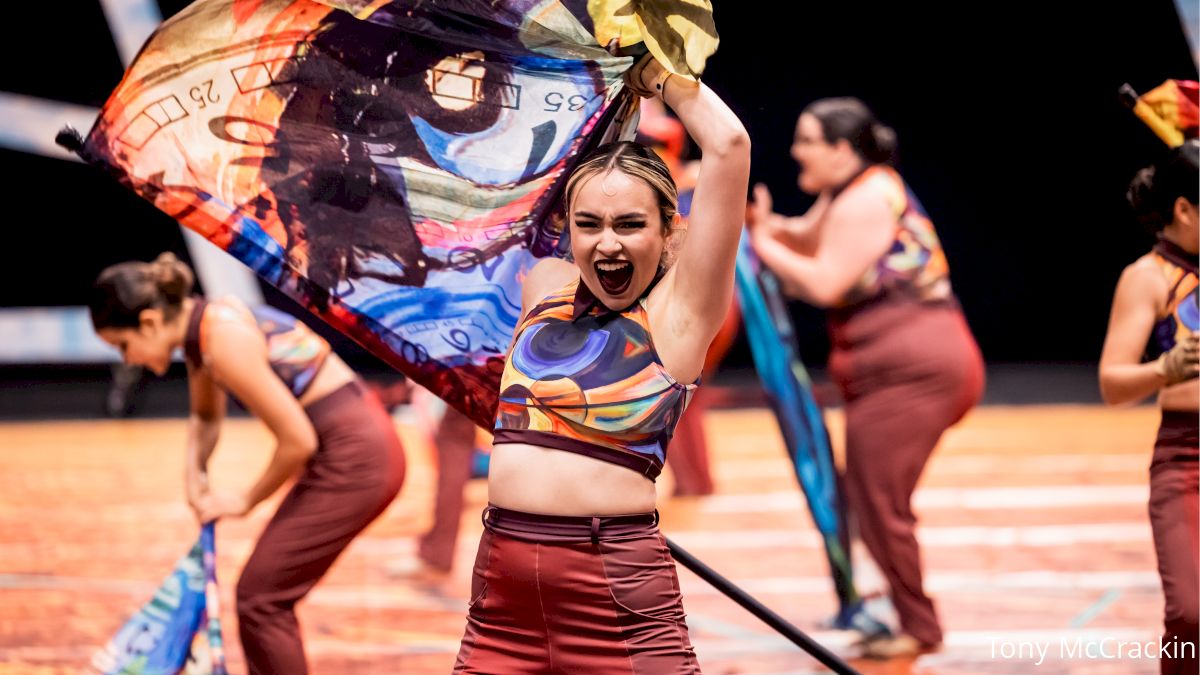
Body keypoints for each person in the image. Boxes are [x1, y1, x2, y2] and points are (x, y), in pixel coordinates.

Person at [452, 55, 750, 672]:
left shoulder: (682, 316)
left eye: (630, 225)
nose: (607, 241)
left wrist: (654, 74)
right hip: (499, 595)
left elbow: (728, 144)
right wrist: (600, 93)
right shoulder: (547, 282)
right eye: (589, 224)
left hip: (613, 595)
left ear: (673, 233)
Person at [89, 253, 406, 675]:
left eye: (123, 346)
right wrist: (195, 478)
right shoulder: (203, 328)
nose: (128, 360)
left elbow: (297, 441)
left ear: (148, 322)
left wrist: (243, 501)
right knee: (262, 596)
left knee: (261, 600)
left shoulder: (221, 338)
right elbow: (205, 417)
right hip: (350, 448)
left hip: (358, 458)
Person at [747, 97, 984, 658]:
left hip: (916, 371)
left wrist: (758, 245)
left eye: (807, 140)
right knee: (870, 497)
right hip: (891, 373)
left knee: (879, 502)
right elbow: (805, 239)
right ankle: (898, 607)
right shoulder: (848, 193)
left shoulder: (867, 197)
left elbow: (825, 281)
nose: (795, 150)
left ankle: (920, 626)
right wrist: (766, 228)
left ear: (841, 149)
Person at [1099, 139, 1199, 675]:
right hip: (1188, 460)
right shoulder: (1147, 277)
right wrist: (1165, 369)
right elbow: (1113, 385)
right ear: (1184, 208)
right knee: (1192, 614)